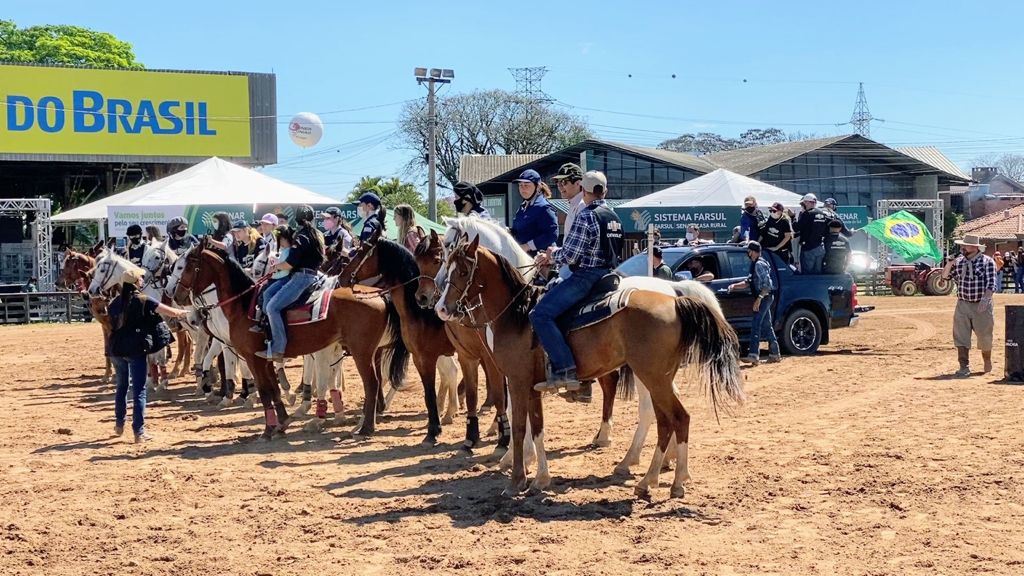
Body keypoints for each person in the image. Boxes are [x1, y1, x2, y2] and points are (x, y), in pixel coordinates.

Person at [531, 171, 623, 392]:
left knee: (539, 315)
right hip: (609, 275)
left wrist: (550, 256)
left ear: (583, 190)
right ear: (605, 191)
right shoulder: (614, 217)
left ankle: (565, 368)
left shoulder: (586, 215)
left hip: (585, 277)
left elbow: (571, 256)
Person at [107, 268, 189, 442]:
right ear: (136, 282)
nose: (142, 280)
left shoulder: (115, 302)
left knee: (121, 387)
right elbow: (170, 312)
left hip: (116, 348)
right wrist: (185, 313)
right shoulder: (143, 299)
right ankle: (139, 431)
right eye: (140, 278)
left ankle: (119, 423)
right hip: (135, 349)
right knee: (139, 390)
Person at [256, 205, 326, 360]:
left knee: (272, 307)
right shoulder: (314, 234)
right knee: (267, 294)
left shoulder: (300, 237)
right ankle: (269, 332)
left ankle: (278, 348)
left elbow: (289, 264)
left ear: (297, 218)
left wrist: (274, 267)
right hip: (306, 274)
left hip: (302, 277)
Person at [941, 234, 996, 377]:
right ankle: (963, 366)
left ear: (974, 247)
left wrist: (985, 300)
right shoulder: (959, 262)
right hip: (963, 303)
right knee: (960, 336)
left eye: (965, 245)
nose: (962, 248)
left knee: (985, 336)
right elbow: (945, 277)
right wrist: (949, 263)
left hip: (981, 304)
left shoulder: (987, 262)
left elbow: (991, 284)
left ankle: (987, 360)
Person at [727, 242, 781, 365]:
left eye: (749, 251)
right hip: (764, 297)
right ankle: (775, 354)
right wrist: (734, 286)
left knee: (756, 324)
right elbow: (748, 282)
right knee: (767, 325)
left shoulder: (759, 265)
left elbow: (767, 285)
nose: (748, 253)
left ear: (753, 251)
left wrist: (758, 299)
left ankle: (753, 355)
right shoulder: (755, 264)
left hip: (764, 297)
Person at [510, 169, 559, 257]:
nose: (522, 188)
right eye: (520, 185)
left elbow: (551, 234)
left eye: (526, 185)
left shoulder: (544, 207)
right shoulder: (523, 207)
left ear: (538, 187)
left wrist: (528, 246)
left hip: (542, 259)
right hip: (524, 257)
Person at [252, 226, 294, 329]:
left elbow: (285, 271)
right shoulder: (284, 251)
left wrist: (273, 274)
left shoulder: (287, 252)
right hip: (280, 278)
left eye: (279, 239)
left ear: (283, 239)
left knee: (267, 294)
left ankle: (267, 319)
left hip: (283, 279)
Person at [793, 193, 829, 274]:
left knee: (808, 275)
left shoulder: (807, 213)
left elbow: (796, 228)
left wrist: (793, 218)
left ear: (807, 202)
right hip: (820, 248)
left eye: (803, 203)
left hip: (808, 249)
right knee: (818, 273)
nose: (803, 205)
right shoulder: (822, 213)